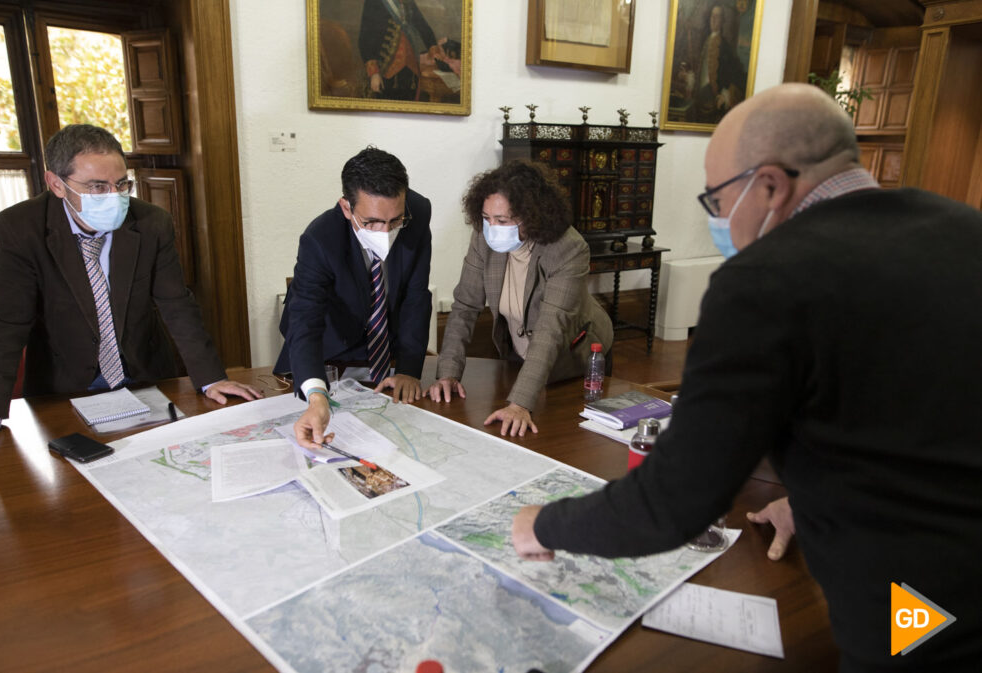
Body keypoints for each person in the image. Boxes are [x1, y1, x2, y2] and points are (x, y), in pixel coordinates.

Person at [512, 83, 982, 671]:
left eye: (716, 202)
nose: (719, 223)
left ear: (768, 186)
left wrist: (545, 524)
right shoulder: (963, 227)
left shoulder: (767, 279)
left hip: (918, 610)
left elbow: (677, 501)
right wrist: (812, 496)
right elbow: (902, 408)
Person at [0, 124, 262, 448]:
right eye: (97, 187)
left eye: (122, 183)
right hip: (62, 387)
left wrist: (211, 379)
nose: (114, 196)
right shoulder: (21, 229)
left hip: (144, 378)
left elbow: (177, 305)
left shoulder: (152, 223)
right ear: (56, 183)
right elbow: (5, 323)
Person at [428, 160, 613, 437]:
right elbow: (465, 306)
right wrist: (448, 373)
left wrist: (520, 403)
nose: (491, 227)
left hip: (575, 354)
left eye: (502, 221)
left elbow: (551, 330)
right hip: (518, 351)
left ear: (532, 215)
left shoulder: (568, 249)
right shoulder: (484, 237)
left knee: (562, 436)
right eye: (486, 217)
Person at [274, 147, 432, 449]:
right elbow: (305, 319)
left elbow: (416, 294)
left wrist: (409, 370)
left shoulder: (418, 211)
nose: (385, 232)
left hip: (386, 349)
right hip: (330, 349)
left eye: (395, 221)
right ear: (346, 208)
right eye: (372, 222)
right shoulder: (320, 239)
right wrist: (317, 395)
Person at [358, 0, 447, 101]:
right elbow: (365, 38)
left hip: (411, 69)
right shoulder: (374, 2)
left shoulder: (408, 2)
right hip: (385, 68)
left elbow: (422, 25)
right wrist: (374, 73)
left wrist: (433, 48)